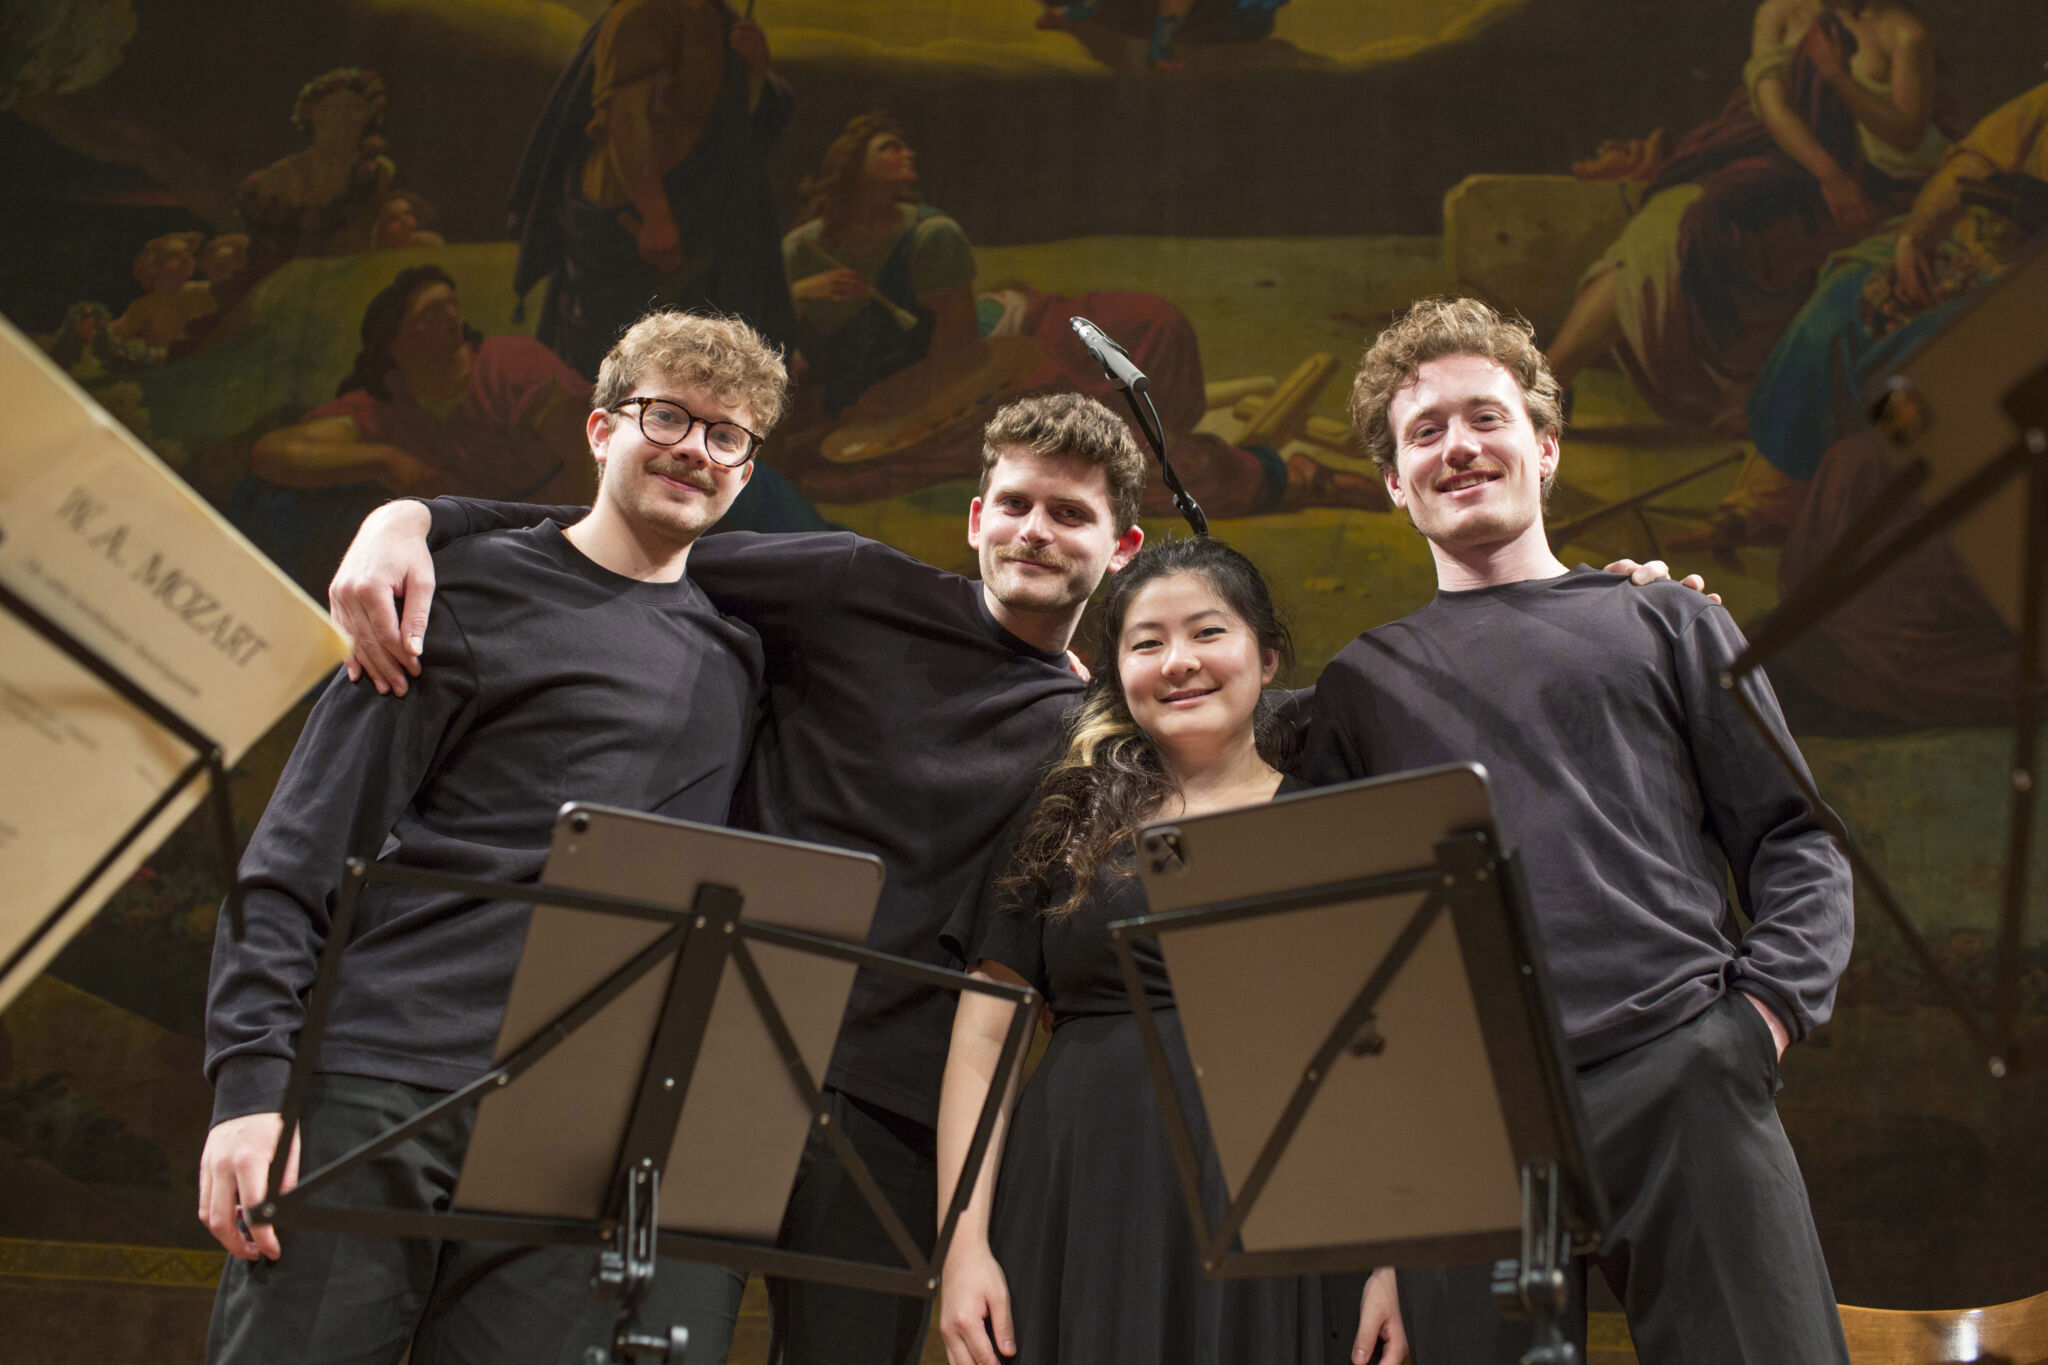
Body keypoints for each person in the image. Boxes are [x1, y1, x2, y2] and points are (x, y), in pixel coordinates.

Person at [328, 392, 1147, 1365]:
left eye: (1068, 514)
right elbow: (617, 541)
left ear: (1122, 547)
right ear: (976, 518)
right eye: (1014, 503)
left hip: (897, 1120)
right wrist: (413, 519)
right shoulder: (852, 583)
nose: (1033, 530)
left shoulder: (1097, 736)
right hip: (714, 1068)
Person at [198, 310, 786, 1364]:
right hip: (376, 1086)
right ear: (601, 429)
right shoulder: (456, 586)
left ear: (746, 470)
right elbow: (295, 854)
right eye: (666, 416)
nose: (695, 449)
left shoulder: (737, 660)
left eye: (726, 434)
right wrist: (249, 1091)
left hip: (568, 1136)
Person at [1309, 297, 1855, 1364]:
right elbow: (1346, 960)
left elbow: (1795, 839)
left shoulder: (1666, 618)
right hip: (1466, 1128)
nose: (1458, 447)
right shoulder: (1356, 688)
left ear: (1546, 447)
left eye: (1486, 418)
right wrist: (1376, 1233)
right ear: (1393, 483)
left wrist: (1757, 1022)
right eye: (1424, 432)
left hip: (1682, 1071)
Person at [935, 536, 1363, 1365]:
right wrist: (962, 1246)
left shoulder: (1330, 819)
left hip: (1282, 1216)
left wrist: (1390, 1261)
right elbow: (983, 1044)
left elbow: (1375, 1060)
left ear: (1268, 658)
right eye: (1146, 643)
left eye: (1208, 632)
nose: (1178, 662)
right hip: (1079, 1198)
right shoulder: (1063, 815)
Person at [775, 111, 1383, 518]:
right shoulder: (805, 248)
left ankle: (1235, 459)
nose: (906, 154)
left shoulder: (931, 237)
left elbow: (954, 357)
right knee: (1096, 459)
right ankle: (1269, 473)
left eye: (904, 144)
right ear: (851, 164)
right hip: (906, 395)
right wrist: (804, 299)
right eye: (889, 147)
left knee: (1138, 368)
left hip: (986, 360)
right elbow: (791, 339)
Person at [1545, 0, 1953, 437]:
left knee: (1730, 231)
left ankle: (1739, 393)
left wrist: (1836, 76)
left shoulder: (1904, 33)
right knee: (1664, 225)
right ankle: (1550, 380)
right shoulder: (1783, 11)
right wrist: (1828, 173)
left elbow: (1908, 136)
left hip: (1881, 193)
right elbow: (1770, 104)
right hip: (1792, 167)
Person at [507, 0, 798, 379]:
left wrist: (753, 70)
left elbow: (732, 121)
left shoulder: (716, 17)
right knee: (617, 360)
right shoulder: (642, 14)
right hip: (630, 218)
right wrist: (655, 214)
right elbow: (627, 120)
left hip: (696, 212)